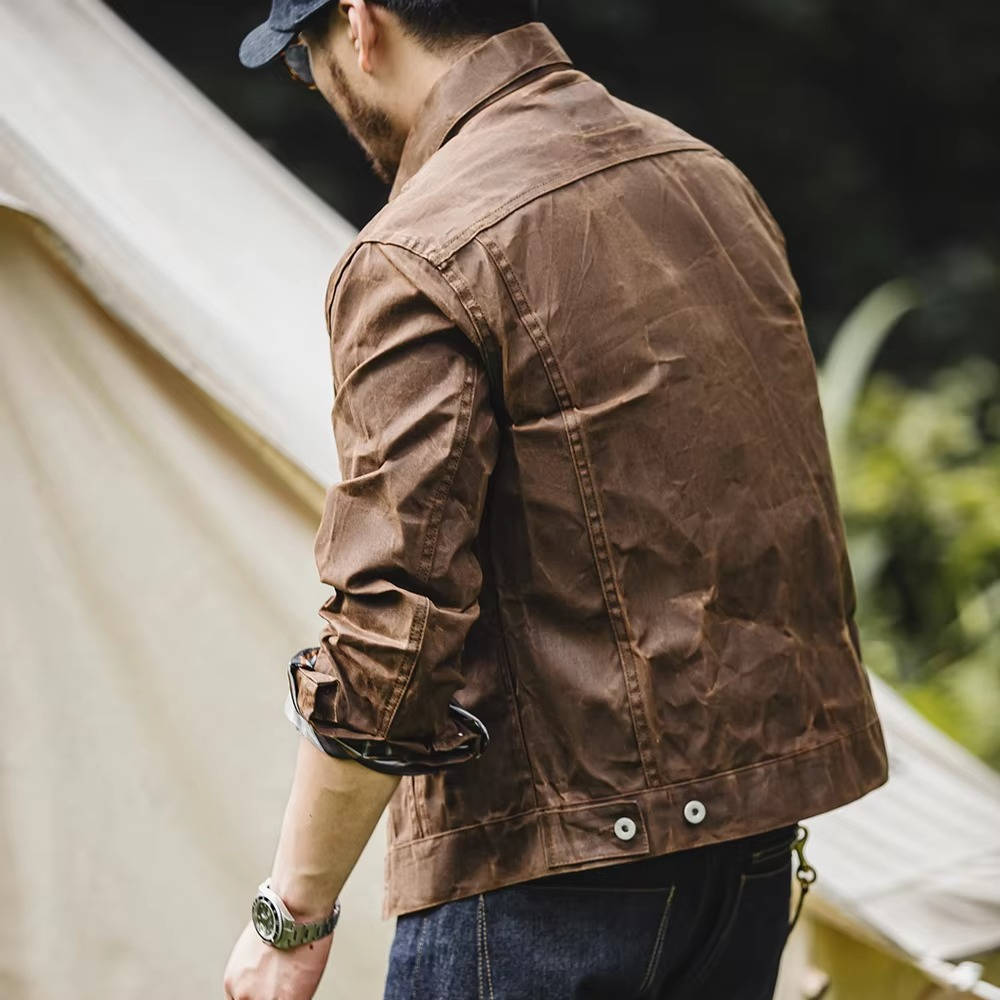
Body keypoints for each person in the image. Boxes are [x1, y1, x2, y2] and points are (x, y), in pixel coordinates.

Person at [224, 2, 890, 998]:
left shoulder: (416, 250)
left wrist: (291, 916)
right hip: (743, 862)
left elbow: (388, 639)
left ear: (359, 26)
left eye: (307, 62)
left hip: (540, 890)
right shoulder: (704, 180)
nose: (318, 88)